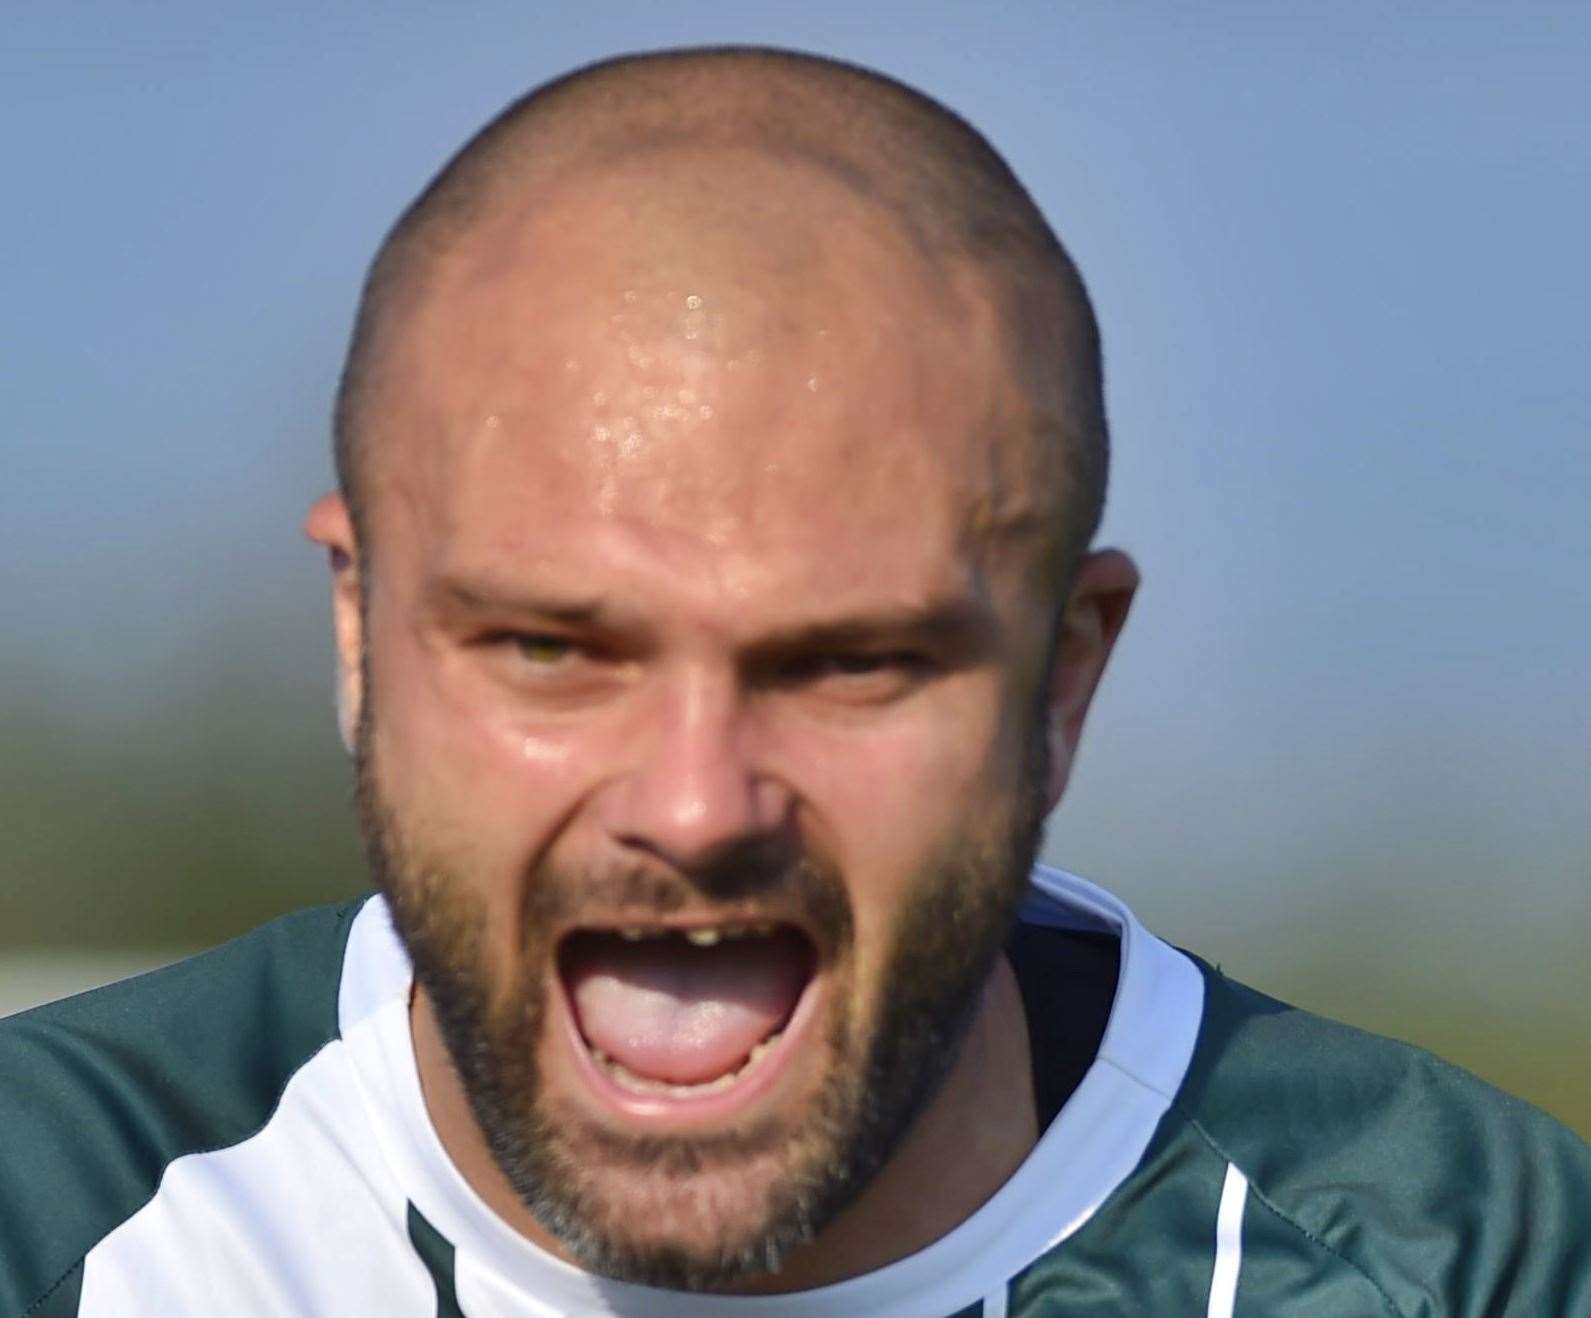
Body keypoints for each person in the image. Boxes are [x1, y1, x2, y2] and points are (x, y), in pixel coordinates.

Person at [2, 45, 1587, 1317]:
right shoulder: (53, 1222)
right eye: (555, 648)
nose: (695, 805)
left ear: (1062, 678)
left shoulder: (1463, 1268)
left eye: (852, 662)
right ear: (359, 629)